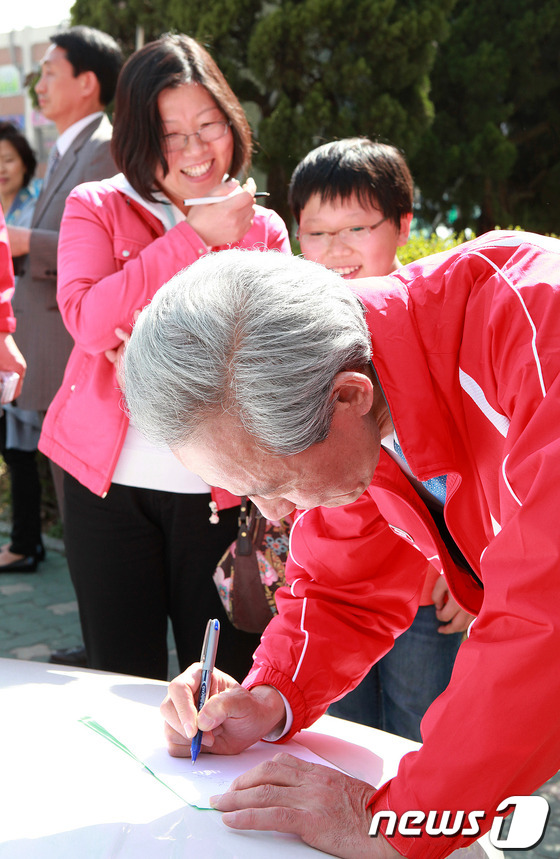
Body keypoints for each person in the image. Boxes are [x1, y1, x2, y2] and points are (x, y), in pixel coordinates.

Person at [124, 235, 560, 857]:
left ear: (349, 397)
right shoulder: (348, 375)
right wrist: (269, 698)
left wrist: (396, 823)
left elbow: (547, 622)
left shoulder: (540, 335)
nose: (273, 513)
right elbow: (344, 585)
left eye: (273, 483)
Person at [39, 34, 291, 682]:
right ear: (138, 136)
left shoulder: (261, 227)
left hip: (222, 493)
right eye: (170, 132)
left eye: (209, 125)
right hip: (107, 488)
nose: (195, 148)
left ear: (232, 122)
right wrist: (193, 237)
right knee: (122, 677)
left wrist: (152, 340)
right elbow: (90, 322)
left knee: (226, 679)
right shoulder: (97, 204)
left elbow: (277, 354)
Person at [289, 137, 473, 741]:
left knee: (416, 734)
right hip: (338, 584)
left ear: (402, 225)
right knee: (338, 735)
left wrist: (467, 559)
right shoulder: (289, 334)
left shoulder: (436, 327)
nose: (335, 250)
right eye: (315, 232)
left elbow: (474, 462)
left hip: (427, 587)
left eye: (356, 228)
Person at [6, 26, 123, 529]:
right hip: (53, 349)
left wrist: (26, 240)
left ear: (87, 82)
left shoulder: (104, 147)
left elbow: (107, 247)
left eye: (50, 73)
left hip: (76, 350)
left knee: (90, 516)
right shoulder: (67, 150)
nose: (39, 86)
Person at [0, 122, 44, 572]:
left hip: (26, 342)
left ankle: (26, 544)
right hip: (8, 340)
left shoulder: (41, 202)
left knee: (25, 453)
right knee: (14, 452)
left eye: (8, 159)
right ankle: (27, 541)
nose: (1, 169)